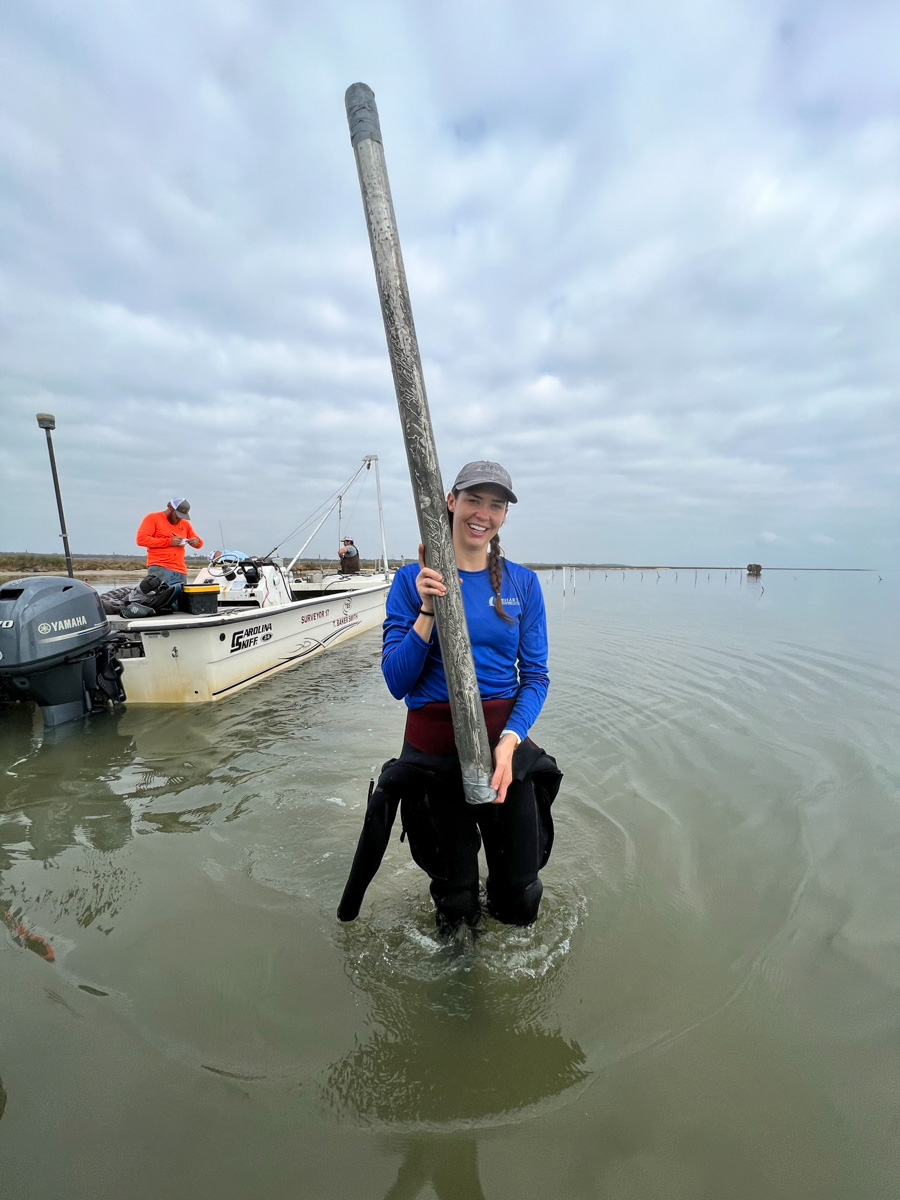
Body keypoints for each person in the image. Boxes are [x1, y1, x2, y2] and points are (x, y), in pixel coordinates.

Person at [338, 460, 561, 934]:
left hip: (503, 751)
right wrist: (427, 610)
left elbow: (536, 677)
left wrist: (510, 741)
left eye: (495, 505)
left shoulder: (523, 583)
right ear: (451, 502)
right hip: (432, 755)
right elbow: (397, 682)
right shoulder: (410, 580)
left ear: (504, 515)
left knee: (521, 893)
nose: (483, 514)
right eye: (473, 500)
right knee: (456, 902)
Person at [135, 497, 204, 585]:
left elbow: (199, 544)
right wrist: (169, 541)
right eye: (177, 515)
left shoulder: (185, 523)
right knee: (161, 593)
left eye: (182, 516)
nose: (179, 518)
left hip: (181, 570)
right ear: (170, 507)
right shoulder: (152, 518)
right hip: (160, 567)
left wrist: (197, 541)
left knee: (182, 594)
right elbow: (141, 539)